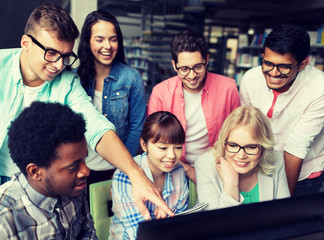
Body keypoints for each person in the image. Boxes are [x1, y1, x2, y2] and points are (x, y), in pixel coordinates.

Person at [0, 3, 173, 220]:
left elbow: (96, 126)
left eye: (65, 56)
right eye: (51, 53)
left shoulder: (67, 82)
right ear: (26, 43)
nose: (59, 65)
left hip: (41, 186)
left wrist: (135, 175)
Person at [239, 24, 324, 197]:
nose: (273, 73)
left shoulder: (319, 88)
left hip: (302, 176)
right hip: (259, 169)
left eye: (284, 67)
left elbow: (296, 147)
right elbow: (247, 127)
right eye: (268, 63)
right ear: (262, 56)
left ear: (302, 64)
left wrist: (283, 204)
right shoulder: (250, 79)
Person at [147, 30, 240, 183]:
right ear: (174, 65)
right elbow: (155, 144)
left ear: (207, 60)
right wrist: (187, 169)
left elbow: (236, 135)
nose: (191, 76)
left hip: (217, 168)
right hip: (171, 168)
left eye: (198, 67)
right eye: (184, 69)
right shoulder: (160, 92)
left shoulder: (228, 88)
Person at [0, 102, 96, 239]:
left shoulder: (75, 186)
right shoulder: (5, 221)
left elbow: (87, 231)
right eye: (73, 167)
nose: (85, 171)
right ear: (35, 172)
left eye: (84, 159)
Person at [77, 10, 146, 162]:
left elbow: (137, 128)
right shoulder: (75, 79)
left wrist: (123, 165)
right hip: (82, 166)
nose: (107, 46)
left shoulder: (132, 78)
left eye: (113, 39)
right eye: (99, 40)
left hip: (118, 167)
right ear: (88, 41)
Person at [109, 111, 189, 240]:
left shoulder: (178, 170)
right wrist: (166, 223)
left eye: (178, 147)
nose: (172, 155)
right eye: (163, 148)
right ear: (144, 145)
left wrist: (166, 222)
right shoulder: (124, 177)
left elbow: (182, 223)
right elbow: (139, 235)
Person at [195, 106, 290, 211]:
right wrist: (231, 185)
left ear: (264, 147)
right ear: (223, 143)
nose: (241, 156)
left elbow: (284, 214)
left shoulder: (276, 159)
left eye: (251, 147)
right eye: (233, 145)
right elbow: (213, 225)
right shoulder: (205, 165)